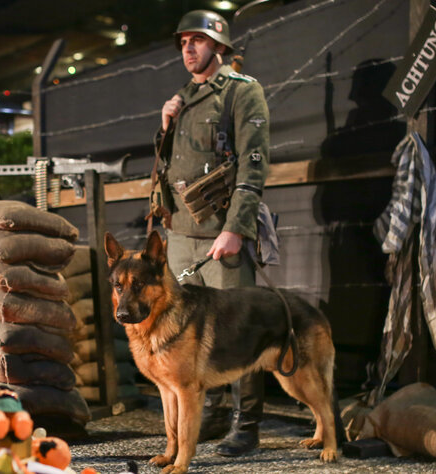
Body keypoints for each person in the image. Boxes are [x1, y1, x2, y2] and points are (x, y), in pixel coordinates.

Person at [151, 10, 270, 457]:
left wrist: (236, 228)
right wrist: (164, 127)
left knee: (239, 332)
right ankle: (212, 413)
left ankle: (246, 424)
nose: (188, 48)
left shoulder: (241, 91)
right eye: (183, 41)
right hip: (181, 235)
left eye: (197, 40)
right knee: (190, 332)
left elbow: (253, 166)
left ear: (219, 45)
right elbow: (169, 166)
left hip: (221, 234)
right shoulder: (182, 98)